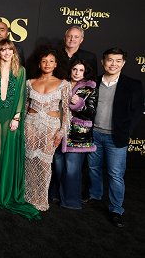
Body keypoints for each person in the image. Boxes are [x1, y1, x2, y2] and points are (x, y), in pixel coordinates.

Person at [0, 39, 39, 220]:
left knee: (7, 153)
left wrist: (17, 117)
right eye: (2, 50)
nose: (6, 53)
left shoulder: (20, 71)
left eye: (9, 50)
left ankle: (5, 189)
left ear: (14, 52)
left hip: (11, 117)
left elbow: (22, 95)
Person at [85, 48, 143, 228]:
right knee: (93, 167)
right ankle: (95, 195)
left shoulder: (133, 84)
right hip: (94, 133)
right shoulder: (93, 82)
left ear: (123, 63)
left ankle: (116, 208)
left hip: (116, 137)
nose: (113, 64)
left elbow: (136, 113)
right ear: (103, 62)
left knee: (115, 174)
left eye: (118, 60)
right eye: (110, 60)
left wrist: (126, 131)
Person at [24, 49, 70, 211]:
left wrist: (62, 132)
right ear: (39, 64)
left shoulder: (64, 84)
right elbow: (25, 107)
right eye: (44, 61)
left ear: (56, 64)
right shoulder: (29, 82)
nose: (47, 64)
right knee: (29, 161)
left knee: (44, 164)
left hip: (51, 127)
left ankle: (41, 199)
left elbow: (66, 110)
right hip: (30, 124)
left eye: (51, 61)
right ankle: (28, 196)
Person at [52, 59, 97, 210]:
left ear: (85, 72)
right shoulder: (62, 84)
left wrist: (79, 104)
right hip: (58, 131)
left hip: (77, 135)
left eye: (81, 70)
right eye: (75, 69)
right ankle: (57, 195)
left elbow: (91, 112)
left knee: (72, 169)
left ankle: (71, 202)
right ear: (70, 70)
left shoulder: (89, 88)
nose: (77, 73)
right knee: (58, 167)